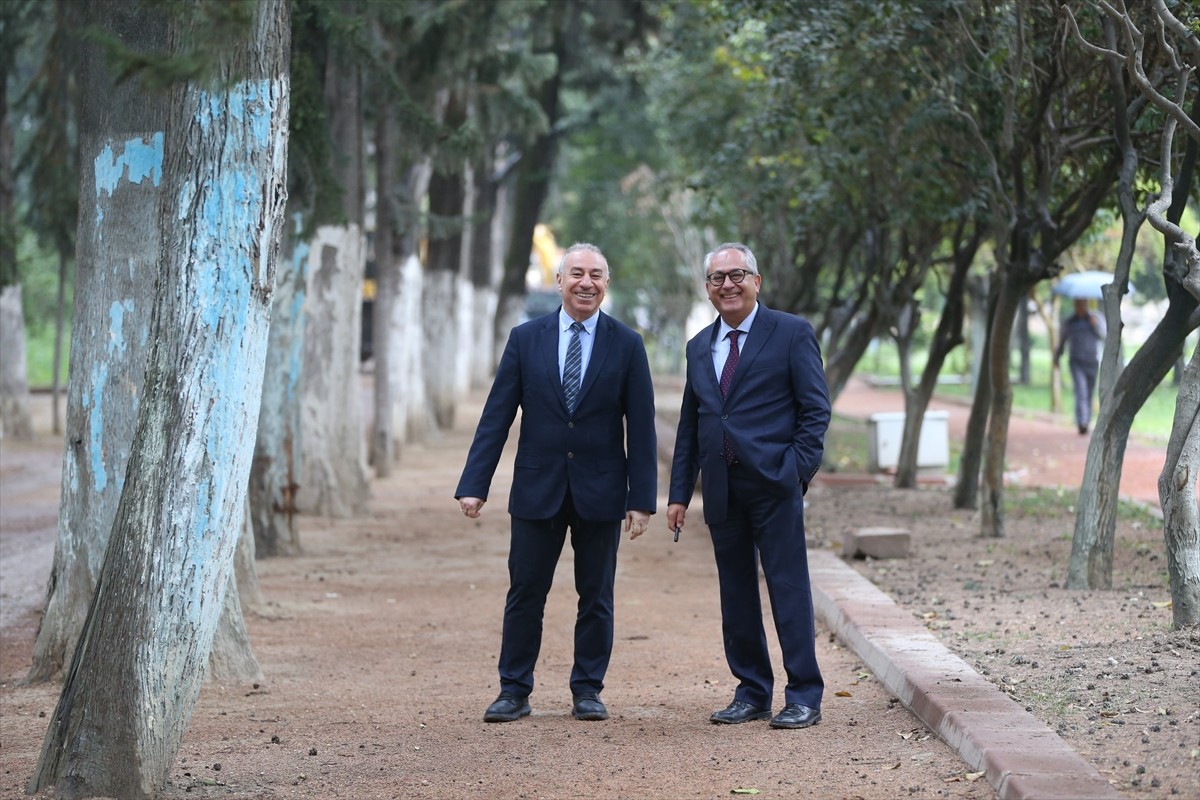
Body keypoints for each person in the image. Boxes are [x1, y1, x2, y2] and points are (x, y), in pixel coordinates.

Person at [455, 242, 657, 724]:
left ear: (606, 283)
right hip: (536, 489)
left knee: (597, 596)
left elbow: (642, 425)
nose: (586, 282)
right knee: (525, 593)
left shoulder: (627, 343)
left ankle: (587, 689)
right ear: (560, 281)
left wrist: (642, 500)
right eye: (577, 274)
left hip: (601, 492)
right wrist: (474, 483)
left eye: (597, 275)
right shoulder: (526, 339)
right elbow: (496, 416)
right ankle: (514, 690)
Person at [667, 242, 830, 730]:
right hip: (720, 487)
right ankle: (752, 691)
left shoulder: (791, 332)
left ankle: (803, 694)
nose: (728, 285)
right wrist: (678, 493)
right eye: (718, 278)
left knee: (787, 588)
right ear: (709, 289)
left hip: (773, 484)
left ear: (756, 281)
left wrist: (795, 471)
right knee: (735, 593)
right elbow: (690, 424)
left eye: (737, 275)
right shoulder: (699, 345)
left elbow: (815, 410)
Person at [1053, 298, 1105, 435]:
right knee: (1080, 390)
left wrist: (1095, 325)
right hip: (1076, 362)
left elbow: (1103, 335)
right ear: (1075, 305)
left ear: (1087, 304)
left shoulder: (1095, 318)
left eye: (1083, 304)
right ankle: (1082, 421)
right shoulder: (1070, 322)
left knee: (1089, 392)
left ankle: (1087, 419)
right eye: (1078, 304)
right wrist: (1057, 357)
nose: (1081, 306)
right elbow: (1062, 340)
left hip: (1092, 361)